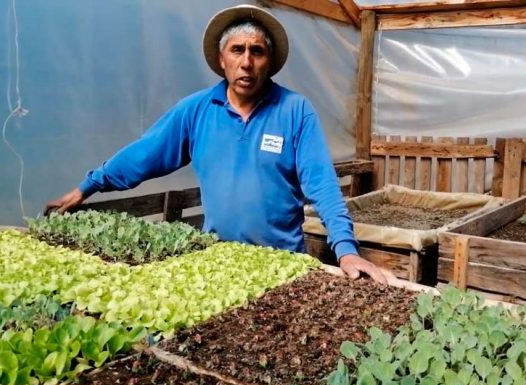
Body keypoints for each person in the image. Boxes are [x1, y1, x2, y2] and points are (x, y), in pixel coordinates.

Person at [46, 4, 392, 284]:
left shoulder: (294, 110)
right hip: (217, 262)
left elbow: (322, 184)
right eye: (237, 50)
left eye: (257, 51)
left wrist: (346, 250)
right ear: (222, 58)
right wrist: (88, 186)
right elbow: (144, 153)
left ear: (268, 62)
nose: (246, 62)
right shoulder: (196, 110)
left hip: (283, 264)